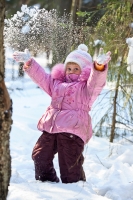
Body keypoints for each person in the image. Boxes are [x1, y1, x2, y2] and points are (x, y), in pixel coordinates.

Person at [13, 44, 111, 183]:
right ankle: (47, 184)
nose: (71, 71)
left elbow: (96, 81)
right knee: (40, 156)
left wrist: (99, 67)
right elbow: (42, 78)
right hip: (51, 127)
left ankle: (76, 189)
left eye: (76, 69)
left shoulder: (86, 89)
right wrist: (30, 63)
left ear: (84, 71)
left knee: (69, 165)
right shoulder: (56, 84)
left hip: (73, 130)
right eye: (69, 68)